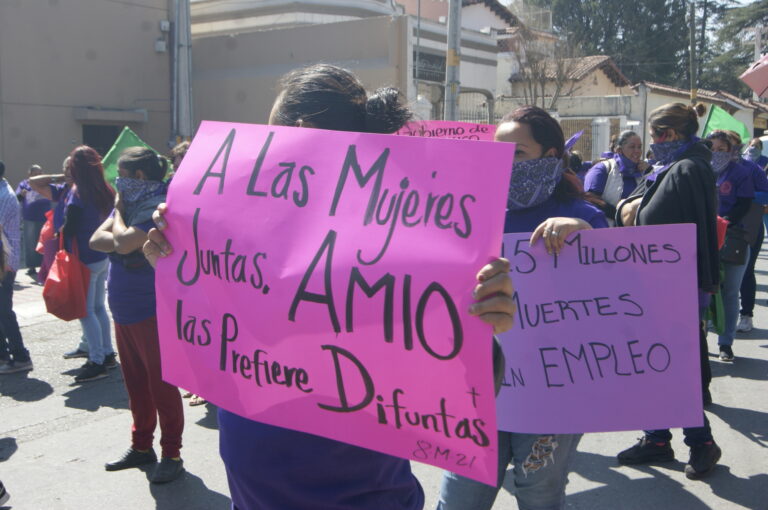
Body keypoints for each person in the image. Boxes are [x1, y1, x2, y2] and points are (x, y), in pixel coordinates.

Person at [143, 63, 516, 510]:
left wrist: (485, 324)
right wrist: (177, 254)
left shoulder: (408, 248)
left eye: (268, 132)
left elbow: (472, 390)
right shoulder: (248, 239)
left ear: (301, 137)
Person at [436, 106, 607, 510]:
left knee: (540, 495)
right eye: (499, 153)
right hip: (476, 387)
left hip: (552, 392)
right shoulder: (472, 214)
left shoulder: (585, 216)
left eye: (518, 153)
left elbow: (615, 291)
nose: (506, 163)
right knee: (460, 497)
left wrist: (585, 235)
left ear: (551, 156)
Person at [615, 102, 721, 480]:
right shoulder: (669, 168)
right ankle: (657, 437)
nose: (651, 145)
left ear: (670, 135)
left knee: (674, 369)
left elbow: (666, 225)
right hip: (649, 285)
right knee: (650, 365)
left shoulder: (689, 169)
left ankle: (702, 443)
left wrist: (632, 212)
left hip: (674, 290)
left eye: (656, 135)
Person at [90, 147, 185, 483]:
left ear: (139, 177)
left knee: (161, 386)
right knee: (136, 385)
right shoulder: (130, 206)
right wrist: (118, 222)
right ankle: (142, 447)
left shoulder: (157, 208)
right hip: (123, 310)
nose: (118, 182)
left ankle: (172, 452)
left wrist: (116, 212)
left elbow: (126, 244)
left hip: (151, 311)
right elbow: (96, 240)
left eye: (123, 176)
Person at [35, 147, 117, 382]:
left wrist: (58, 232)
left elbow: (70, 226)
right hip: (102, 256)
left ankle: (98, 360)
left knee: (86, 310)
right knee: (99, 307)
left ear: (75, 168)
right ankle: (107, 354)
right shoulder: (105, 189)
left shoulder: (78, 192)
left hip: (83, 258)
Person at [30, 157, 90, 359]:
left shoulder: (84, 190)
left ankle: (97, 352)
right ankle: (89, 345)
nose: (66, 172)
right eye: (65, 169)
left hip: (78, 251)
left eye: (70, 169)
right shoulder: (63, 189)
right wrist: (62, 176)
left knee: (87, 305)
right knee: (90, 305)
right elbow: (34, 182)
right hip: (66, 247)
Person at [705, 130, 754, 361]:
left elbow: (745, 203)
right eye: (711, 149)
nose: (716, 154)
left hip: (734, 237)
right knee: (703, 291)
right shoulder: (700, 171)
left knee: (730, 292)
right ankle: (699, 343)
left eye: (721, 149)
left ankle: (726, 343)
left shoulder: (741, 173)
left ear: (731, 150)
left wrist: (723, 224)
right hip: (704, 238)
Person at [0, 160, 33, 375]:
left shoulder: (3, 196)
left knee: (4, 312)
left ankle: (20, 356)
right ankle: (4, 356)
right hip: (5, 261)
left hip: (4, 263)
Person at [584, 130, 649, 220]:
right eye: (632, 147)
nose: (637, 151)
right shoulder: (603, 169)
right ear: (619, 150)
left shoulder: (644, 171)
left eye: (639, 147)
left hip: (637, 230)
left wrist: (650, 172)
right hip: (607, 229)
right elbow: (590, 200)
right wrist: (620, 215)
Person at [15, 164, 51, 278]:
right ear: (29, 175)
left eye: (40, 174)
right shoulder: (24, 184)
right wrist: (21, 194)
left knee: (45, 242)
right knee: (30, 242)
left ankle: (44, 266)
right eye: (35, 174)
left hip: (45, 217)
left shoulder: (46, 184)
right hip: (29, 218)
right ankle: (31, 267)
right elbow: (17, 198)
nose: (38, 176)